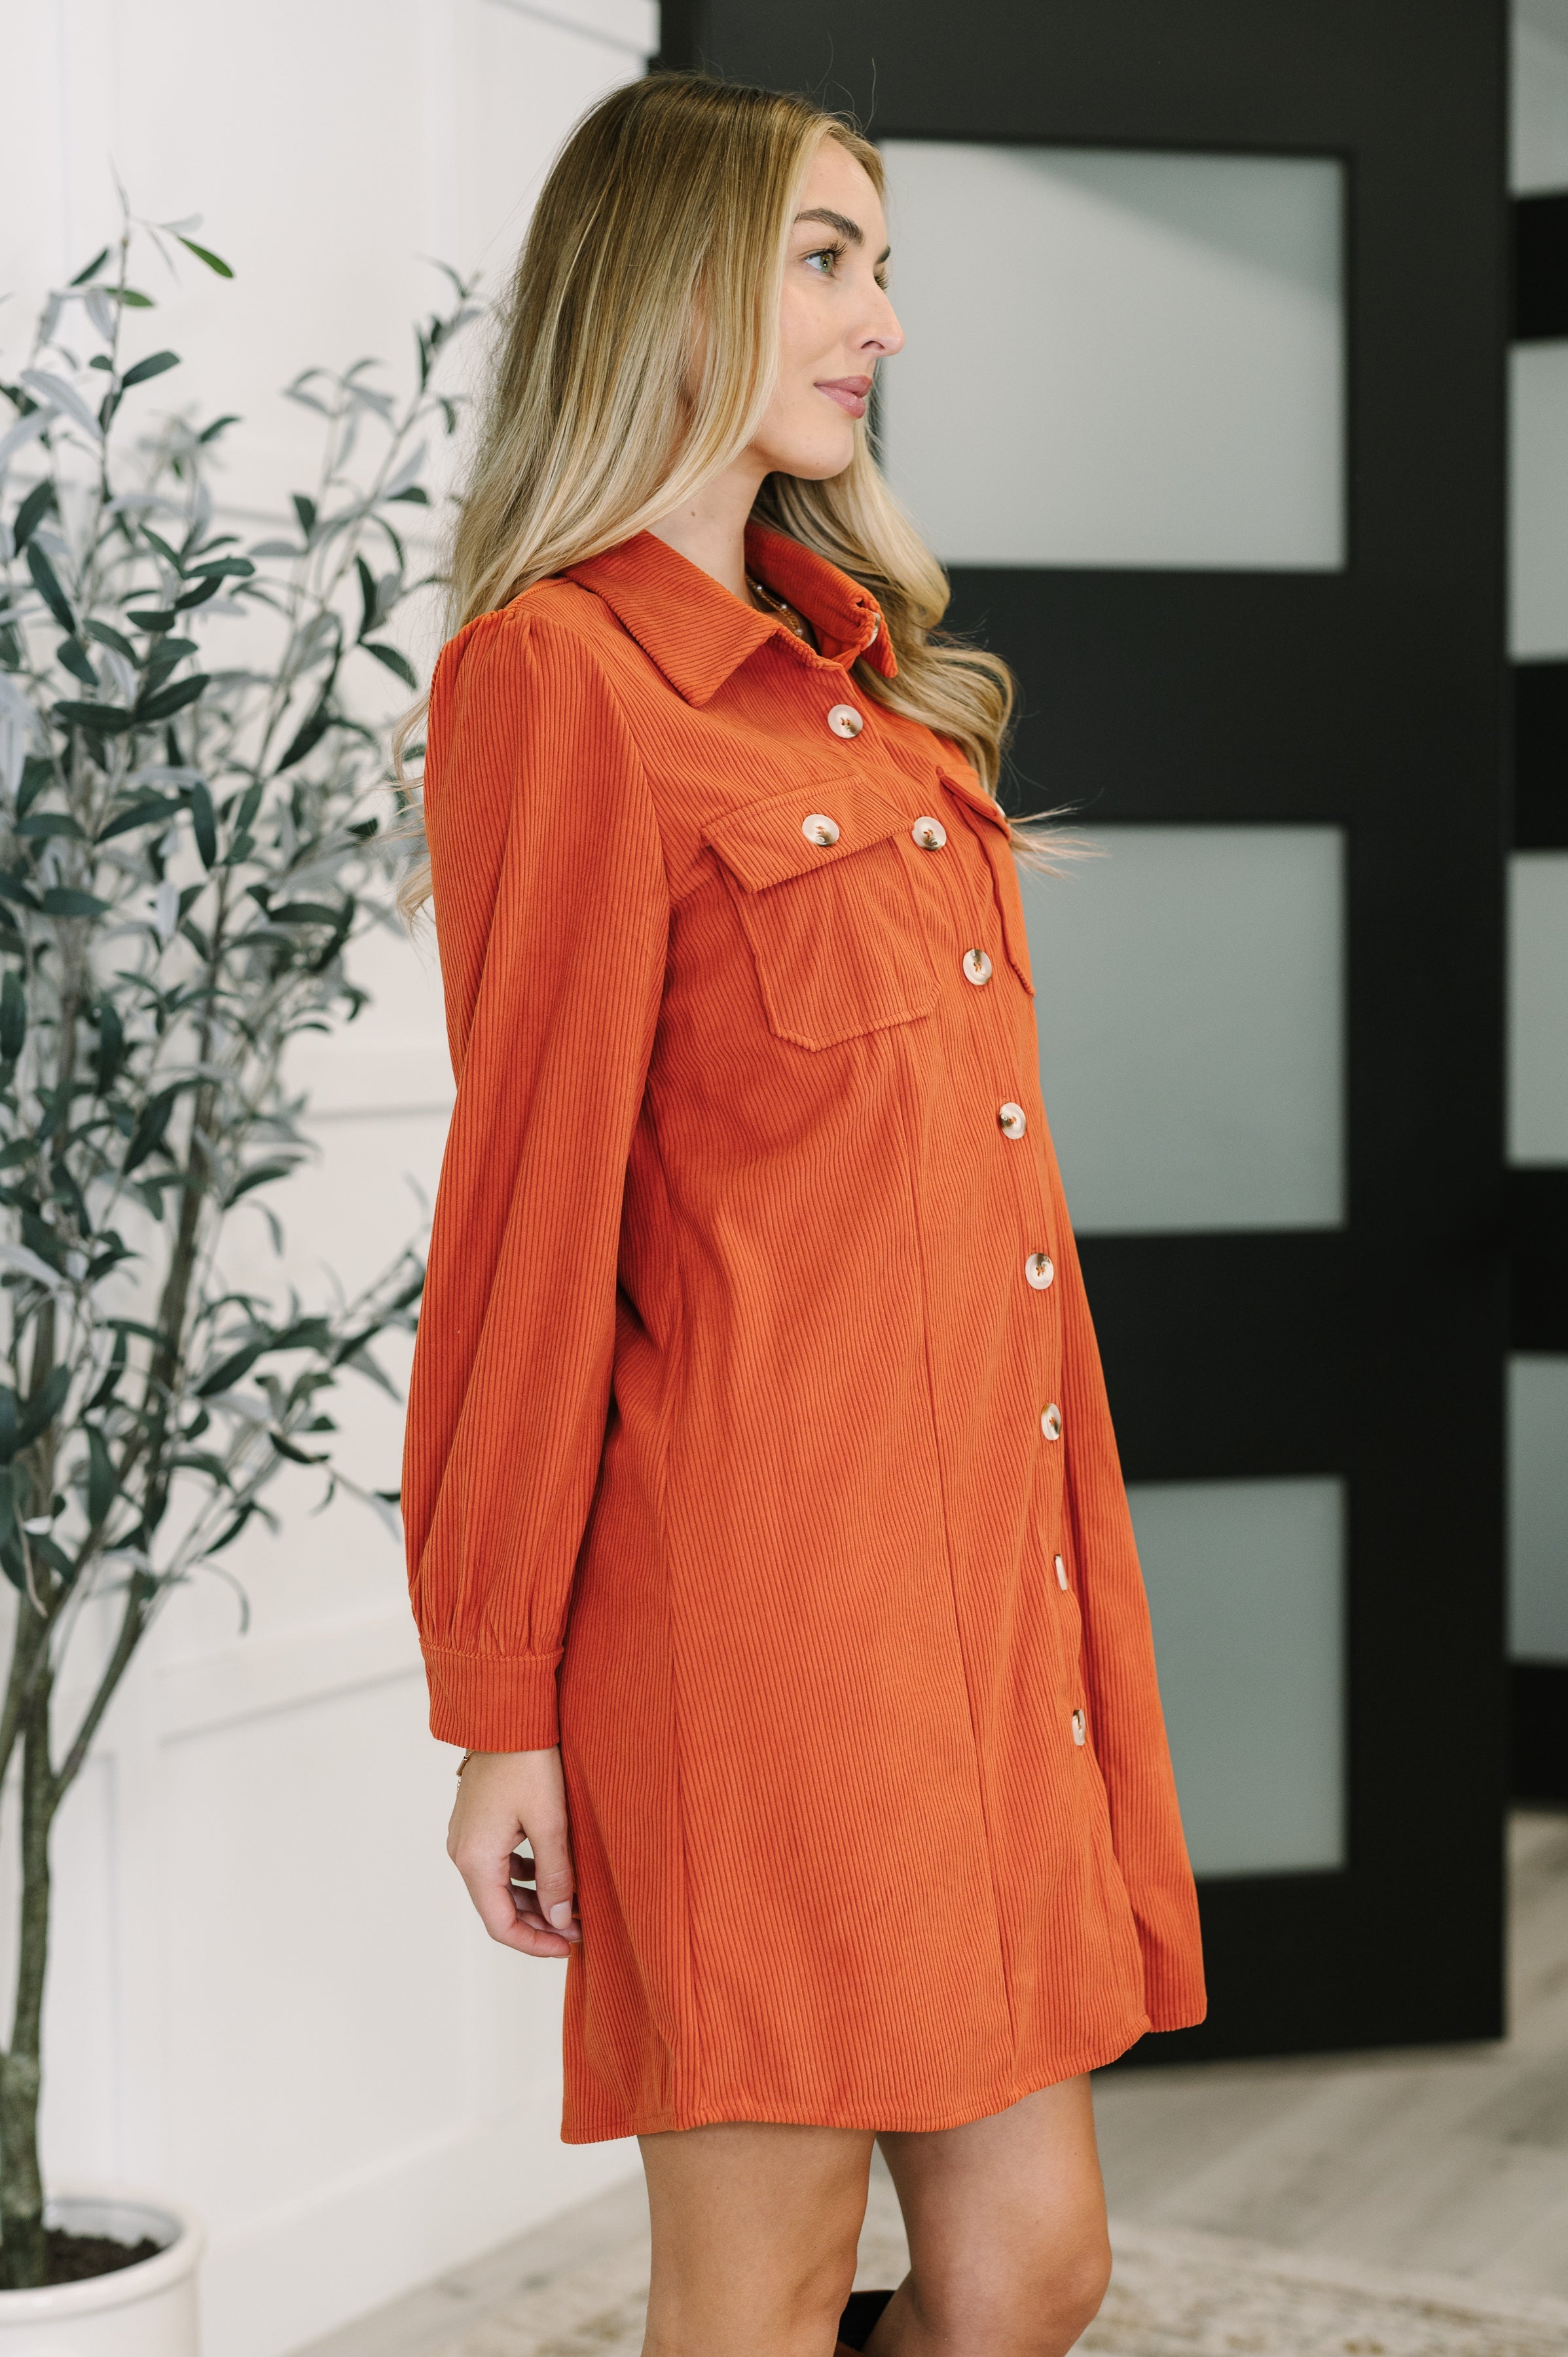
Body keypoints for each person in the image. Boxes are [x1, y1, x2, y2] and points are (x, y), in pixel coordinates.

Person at [399, 70, 1205, 2357]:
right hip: (750, 1638)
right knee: (748, 2298)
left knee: (1033, 2267)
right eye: (826, 260)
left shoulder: (862, 705)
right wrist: (503, 1709)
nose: (880, 323)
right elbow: (526, 1224)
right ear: (671, 290)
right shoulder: (560, 682)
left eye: (882, 264)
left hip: (977, 1596)